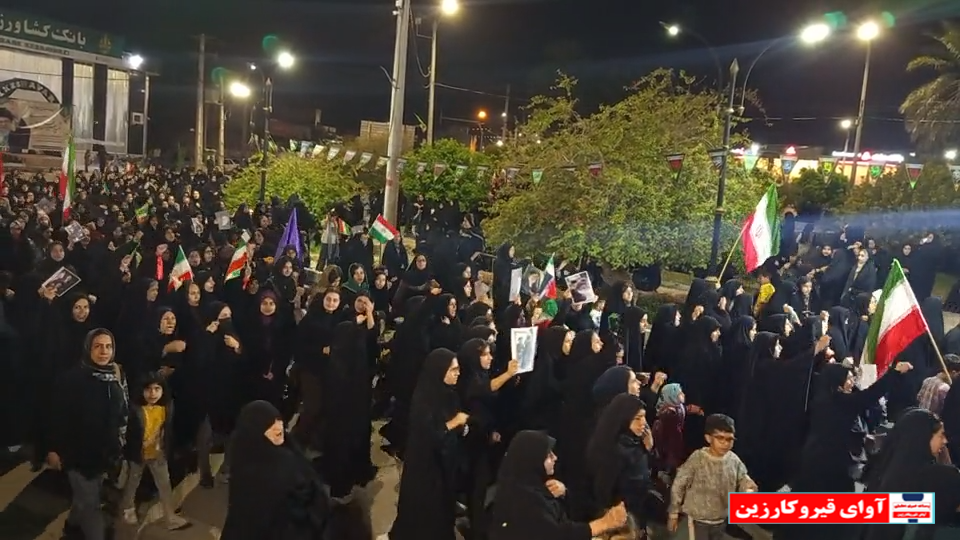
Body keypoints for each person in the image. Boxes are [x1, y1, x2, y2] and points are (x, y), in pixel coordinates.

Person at [47, 328, 130, 540]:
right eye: (98, 346)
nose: (104, 351)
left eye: (108, 347)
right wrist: (53, 449)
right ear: (87, 349)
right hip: (79, 455)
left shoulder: (114, 377)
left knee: (84, 498)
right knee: (91, 505)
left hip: (105, 454)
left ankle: (72, 525)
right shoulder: (72, 380)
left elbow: (122, 413)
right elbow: (57, 417)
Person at [221, 400, 331, 540]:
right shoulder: (288, 458)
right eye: (274, 432)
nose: (280, 435)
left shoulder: (254, 462)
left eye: (279, 432)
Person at [490, 430, 628, 540]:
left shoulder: (534, 488)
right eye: (548, 455)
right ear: (532, 459)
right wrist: (605, 523)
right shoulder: (520, 499)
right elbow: (555, 535)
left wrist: (564, 494)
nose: (555, 458)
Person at [120, 371, 191, 530]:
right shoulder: (135, 409)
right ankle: (128, 509)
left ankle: (170, 516)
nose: (153, 393)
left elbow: (167, 430)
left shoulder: (166, 407)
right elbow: (130, 434)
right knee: (132, 482)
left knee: (164, 484)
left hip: (158, 452)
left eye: (157, 389)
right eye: (148, 389)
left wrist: (165, 446)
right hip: (138, 454)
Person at [667, 414, 757, 540]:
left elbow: (743, 478)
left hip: (721, 520)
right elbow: (679, 484)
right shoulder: (698, 458)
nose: (725, 443)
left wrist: (748, 488)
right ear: (708, 438)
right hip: (698, 520)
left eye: (729, 439)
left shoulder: (733, 460)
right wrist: (674, 513)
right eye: (720, 438)